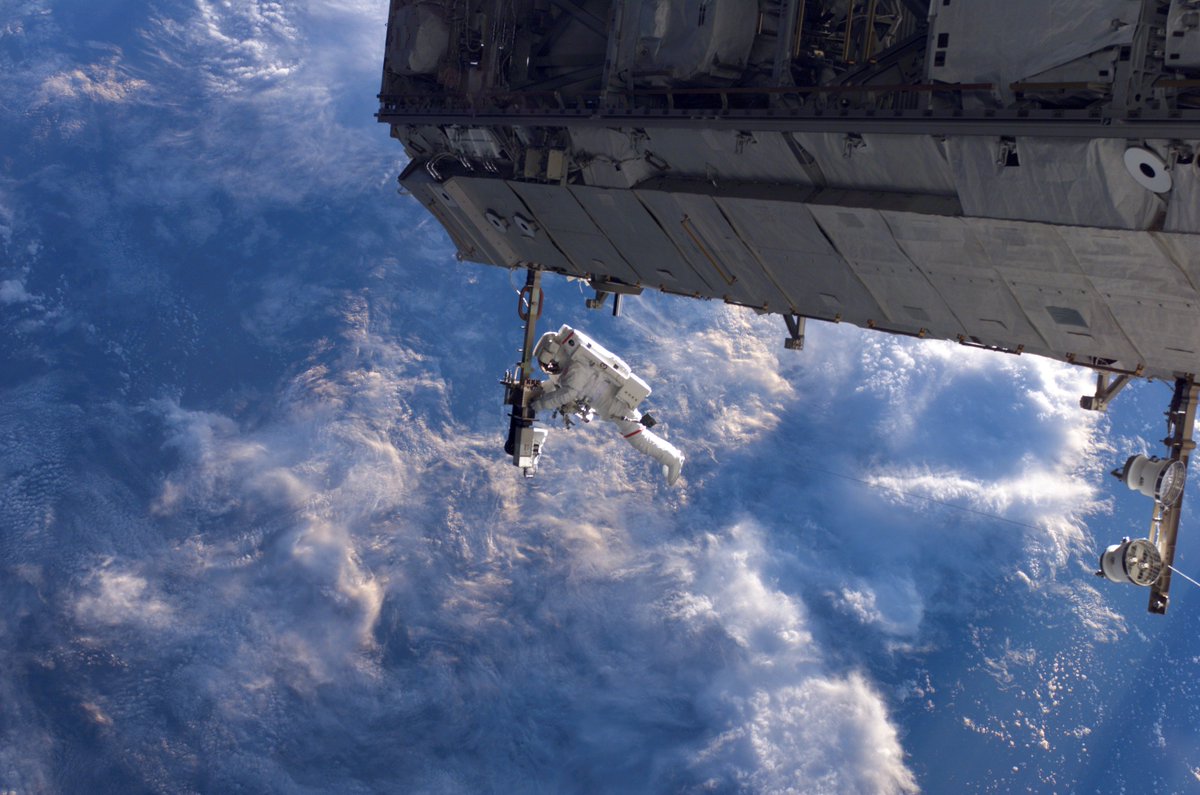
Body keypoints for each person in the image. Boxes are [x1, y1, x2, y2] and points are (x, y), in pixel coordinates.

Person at [529, 324, 684, 486]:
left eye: (550, 363)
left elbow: (568, 393)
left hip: (619, 407)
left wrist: (539, 404)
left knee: (639, 440)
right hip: (613, 407)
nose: (550, 368)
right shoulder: (571, 368)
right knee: (639, 439)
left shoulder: (577, 367)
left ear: (557, 353)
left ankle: (674, 459)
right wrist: (534, 389)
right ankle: (672, 457)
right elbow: (556, 386)